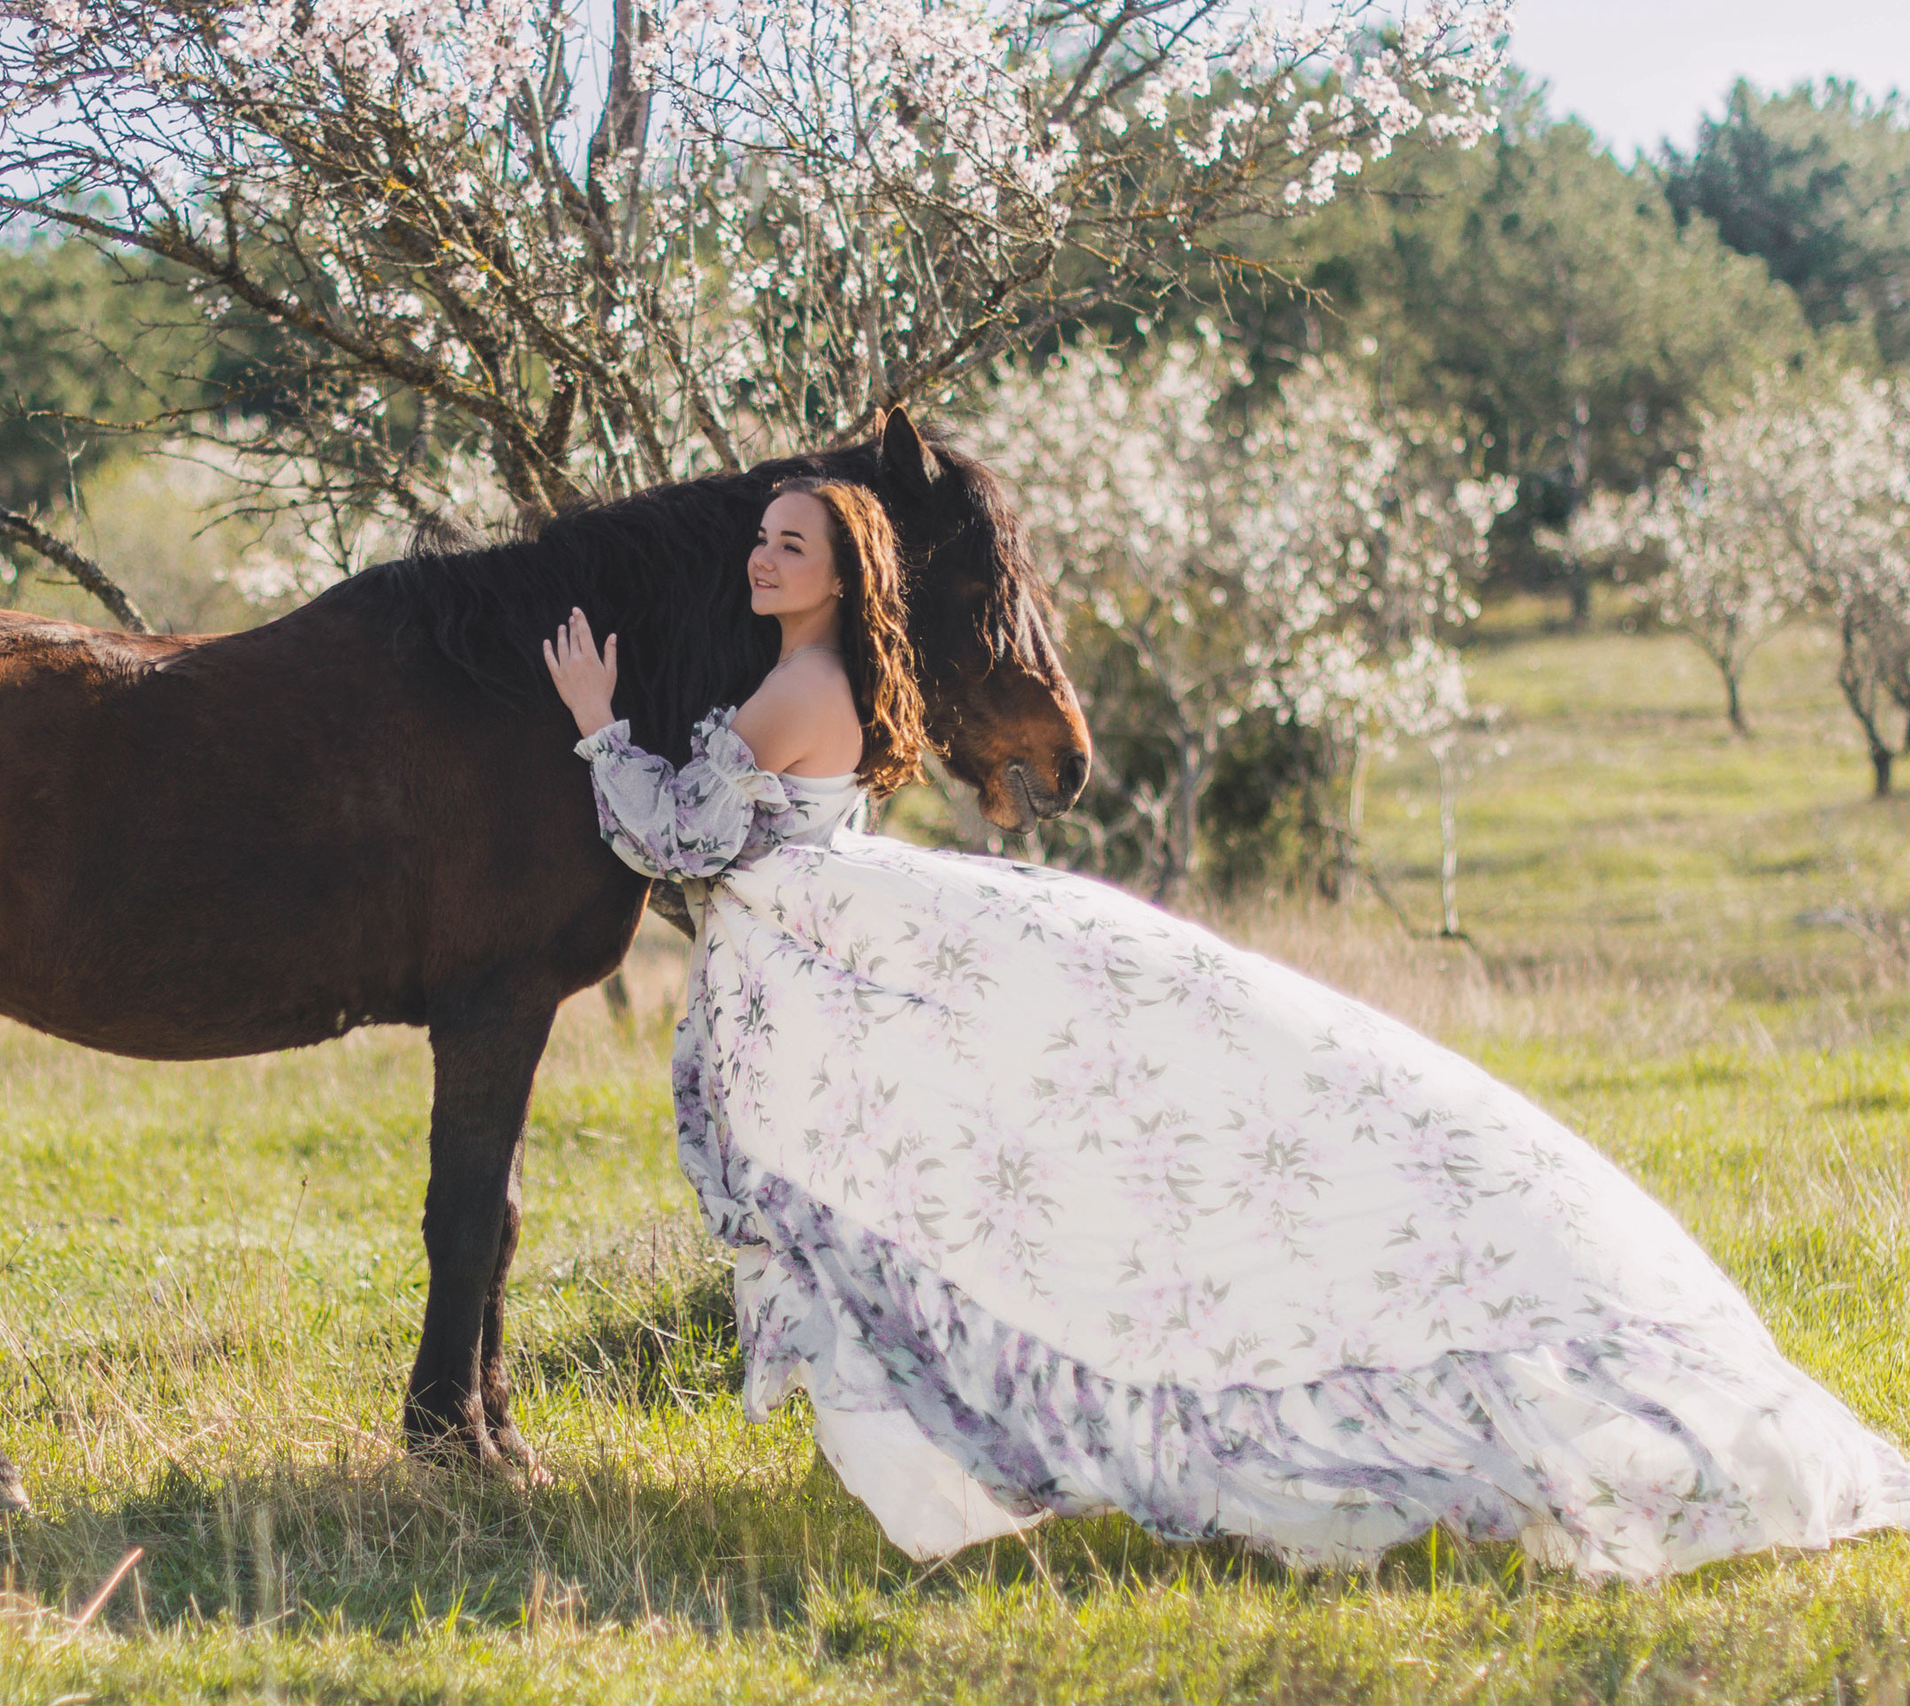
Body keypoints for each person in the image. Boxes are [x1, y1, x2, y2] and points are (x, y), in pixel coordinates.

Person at [540, 476, 1910, 1581]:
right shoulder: (824, 682)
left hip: (823, 952)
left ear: (843, 574)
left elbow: (679, 832)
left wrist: (602, 724)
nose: (765, 561)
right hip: (846, 935)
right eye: (763, 542)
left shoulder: (794, 692)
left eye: (793, 545)